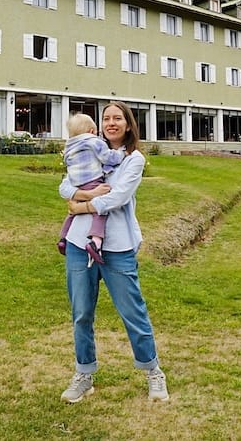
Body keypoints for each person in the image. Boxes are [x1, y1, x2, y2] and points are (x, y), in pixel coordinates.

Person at [58, 101, 169, 404]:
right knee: (81, 313)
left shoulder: (133, 160)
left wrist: (80, 205)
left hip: (117, 247)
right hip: (81, 245)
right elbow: (64, 187)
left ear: (129, 124)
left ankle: (153, 371)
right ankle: (84, 374)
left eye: (117, 118)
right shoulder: (87, 150)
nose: (111, 123)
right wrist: (84, 194)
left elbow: (118, 197)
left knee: (132, 311)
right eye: (106, 118)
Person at [56, 113, 126, 266]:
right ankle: (96, 241)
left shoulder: (70, 145)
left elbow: (67, 164)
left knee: (71, 213)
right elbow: (108, 157)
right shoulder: (94, 142)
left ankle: (63, 238)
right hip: (92, 180)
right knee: (100, 211)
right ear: (92, 131)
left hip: (76, 182)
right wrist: (120, 153)